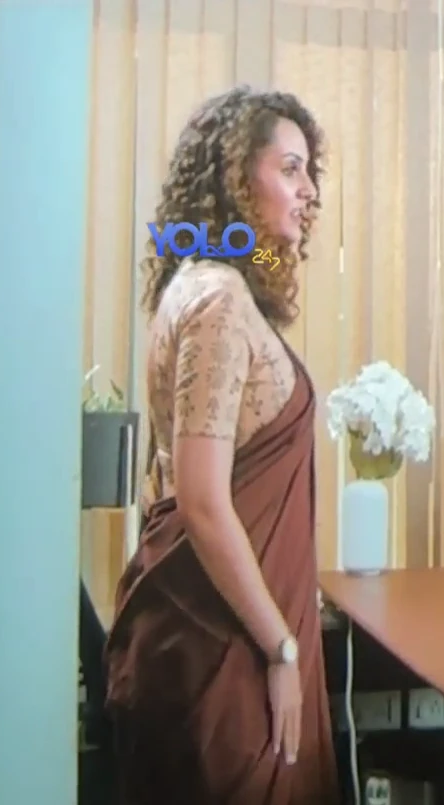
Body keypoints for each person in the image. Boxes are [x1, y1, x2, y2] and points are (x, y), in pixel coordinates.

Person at [105, 86, 338, 804]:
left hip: (215, 631)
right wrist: (281, 647)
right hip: (221, 649)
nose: (309, 191)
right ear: (237, 179)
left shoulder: (202, 283)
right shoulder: (217, 299)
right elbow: (203, 501)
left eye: (310, 172)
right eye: (290, 169)